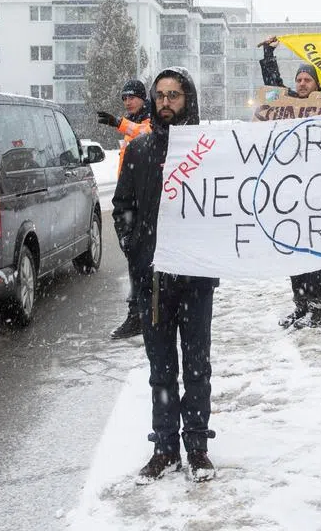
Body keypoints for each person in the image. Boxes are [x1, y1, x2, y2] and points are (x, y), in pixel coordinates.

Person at [112, 67, 218, 484]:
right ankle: (165, 448)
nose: (166, 102)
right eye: (160, 95)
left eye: (174, 95)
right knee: (161, 368)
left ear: (188, 99)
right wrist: (135, 247)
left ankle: (197, 446)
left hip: (196, 278)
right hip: (152, 281)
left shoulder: (207, 150)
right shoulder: (139, 150)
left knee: (197, 366)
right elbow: (122, 206)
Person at [258, 36, 321, 328]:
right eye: (299, 79)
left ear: (316, 84)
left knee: (315, 251)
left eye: (307, 80)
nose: (302, 84)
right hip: (291, 191)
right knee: (294, 251)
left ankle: (319, 308)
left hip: (319, 192)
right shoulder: (286, 104)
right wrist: (268, 55)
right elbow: (273, 86)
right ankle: (301, 305)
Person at [97, 79, 153, 341]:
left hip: (142, 202)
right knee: (135, 262)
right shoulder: (135, 123)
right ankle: (140, 314)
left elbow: (145, 133)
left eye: (132, 97)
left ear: (143, 98)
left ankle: (140, 316)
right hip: (129, 199)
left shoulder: (150, 121)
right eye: (124, 98)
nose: (128, 102)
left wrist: (118, 122)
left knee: (140, 263)